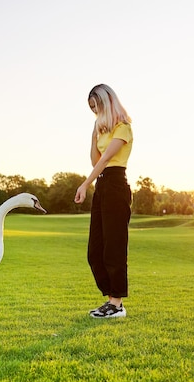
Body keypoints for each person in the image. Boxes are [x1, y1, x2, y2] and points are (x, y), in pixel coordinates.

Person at [74, 84, 133, 318]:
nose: (94, 111)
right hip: (102, 185)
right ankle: (110, 300)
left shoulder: (123, 127)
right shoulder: (103, 130)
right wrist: (93, 135)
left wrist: (84, 184)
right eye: (91, 108)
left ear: (106, 101)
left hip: (116, 185)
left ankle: (117, 304)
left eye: (95, 106)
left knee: (114, 247)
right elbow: (95, 160)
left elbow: (107, 159)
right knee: (95, 250)